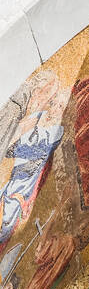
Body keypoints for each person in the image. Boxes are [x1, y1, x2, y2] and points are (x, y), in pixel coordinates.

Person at [0, 71, 64, 252]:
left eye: (57, 104)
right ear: (40, 91)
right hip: (13, 192)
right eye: (51, 101)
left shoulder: (52, 132)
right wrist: (22, 130)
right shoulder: (15, 108)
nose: (48, 107)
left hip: (18, 193)